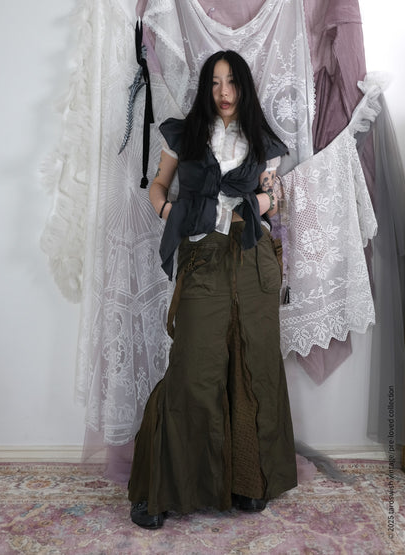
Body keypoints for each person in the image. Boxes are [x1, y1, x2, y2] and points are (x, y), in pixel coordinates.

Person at [128, 50, 297, 529]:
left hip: (252, 259)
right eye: (216, 82)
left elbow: (275, 198)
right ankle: (161, 489)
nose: (224, 92)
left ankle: (247, 480)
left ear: (244, 87)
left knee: (253, 365)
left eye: (232, 82)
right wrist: (174, 214)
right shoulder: (184, 134)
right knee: (194, 369)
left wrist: (259, 201)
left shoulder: (263, 140)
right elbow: (157, 187)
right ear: (206, 88)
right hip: (203, 258)